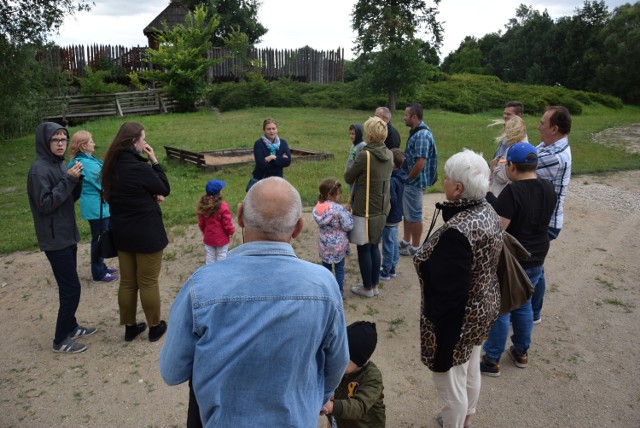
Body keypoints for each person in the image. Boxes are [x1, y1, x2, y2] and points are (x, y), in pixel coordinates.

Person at [159, 177, 349, 426]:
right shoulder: (324, 285)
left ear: (239, 217)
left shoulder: (201, 287)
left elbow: (172, 371)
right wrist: (312, 402)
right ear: (299, 227)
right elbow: (337, 363)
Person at [414, 149, 502, 428]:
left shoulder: (458, 232)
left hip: (460, 319)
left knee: (450, 382)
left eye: (447, 178)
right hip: (484, 305)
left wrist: (442, 342)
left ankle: (456, 420)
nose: (444, 181)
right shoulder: (486, 208)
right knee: (470, 366)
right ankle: (468, 419)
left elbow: (448, 297)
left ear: (458, 188)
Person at [481, 143, 557, 377]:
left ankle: (492, 358)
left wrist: (490, 199)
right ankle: (521, 351)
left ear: (512, 166)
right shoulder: (548, 187)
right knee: (523, 302)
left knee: (502, 307)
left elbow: (500, 227)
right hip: (538, 254)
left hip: (515, 258)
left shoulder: (513, 191)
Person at [27, 122, 97, 353]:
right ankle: (59, 339)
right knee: (71, 289)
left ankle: (71, 326)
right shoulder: (39, 171)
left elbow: (67, 198)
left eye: (63, 139)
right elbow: (45, 204)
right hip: (54, 239)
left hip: (67, 234)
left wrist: (77, 181)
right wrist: (68, 180)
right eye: (55, 140)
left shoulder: (61, 164)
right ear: (45, 143)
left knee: (69, 286)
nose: (60, 144)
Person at [101, 121, 170, 343]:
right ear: (133, 141)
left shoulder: (111, 166)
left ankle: (130, 327)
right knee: (148, 281)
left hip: (122, 232)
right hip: (146, 232)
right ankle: (154, 326)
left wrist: (147, 195)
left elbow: (122, 194)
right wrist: (155, 160)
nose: (145, 142)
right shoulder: (138, 167)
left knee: (128, 282)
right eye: (142, 138)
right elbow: (163, 187)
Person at [345, 116, 393, 298]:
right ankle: (373, 285)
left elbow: (349, 177)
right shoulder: (388, 154)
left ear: (371, 136)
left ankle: (366, 288)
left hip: (364, 209)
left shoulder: (364, 155)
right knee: (374, 247)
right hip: (381, 208)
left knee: (363, 248)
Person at [533, 106, 572, 324]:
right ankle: (531, 310)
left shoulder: (556, 157)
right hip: (541, 219)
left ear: (554, 128)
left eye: (542, 123)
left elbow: (518, 168)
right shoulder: (547, 146)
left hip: (546, 223)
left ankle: (533, 313)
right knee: (534, 265)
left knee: (533, 267)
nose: (539, 127)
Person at [68, 130, 119, 283]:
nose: (94, 144)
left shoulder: (87, 159)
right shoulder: (83, 163)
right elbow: (102, 180)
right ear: (83, 146)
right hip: (96, 208)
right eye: (91, 141)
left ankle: (101, 266)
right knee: (98, 239)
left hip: (100, 205)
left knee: (101, 237)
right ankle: (98, 273)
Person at [324, 321, 386, 427]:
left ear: (359, 361)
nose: (338, 360)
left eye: (344, 358)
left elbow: (359, 407)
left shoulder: (372, 378)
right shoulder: (338, 369)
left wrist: (331, 407)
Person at [399, 102, 438, 257]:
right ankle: (406, 241)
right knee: (408, 213)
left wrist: (407, 178)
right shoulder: (417, 131)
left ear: (414, 117)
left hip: (414, 182)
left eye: (406, 115)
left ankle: (415, 247)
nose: (404, 118)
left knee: (415, 215)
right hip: (411, 181)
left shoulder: (421, 135)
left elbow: (420, 163)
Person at [313, 178, 354, 295]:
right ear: (331, 195)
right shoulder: (339, 209)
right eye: (339, 194)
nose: (340, 196)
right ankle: (338, 292)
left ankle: (327, 290)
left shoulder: (318, 207)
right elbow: (348, 226)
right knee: (339, 269)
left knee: (326, 269)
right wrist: (347, 213)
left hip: (324, 244)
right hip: (338, 245)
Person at [380, 148, 407, 281]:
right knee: (393, 242)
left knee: (388, 244)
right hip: (396, 215)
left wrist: (385, 211)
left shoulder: (392, 180)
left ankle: (386, 270)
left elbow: (392, 199)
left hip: (390, 217)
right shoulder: (401, 176)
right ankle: (393, 268)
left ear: (392, 164)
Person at [197, 179, 235, 265]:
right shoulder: (223, 206)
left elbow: (201, 224)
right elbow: (227, 223)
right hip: (222, 238)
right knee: (222, 256)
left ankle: (210, 273)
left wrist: (205, 232)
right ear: (219, 192)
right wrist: (231, 231)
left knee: (210, 257)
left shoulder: (203, 206)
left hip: (209, 237)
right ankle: (220, 274)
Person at [487, 115, 527, 197]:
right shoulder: (525, 147)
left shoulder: (512, 150)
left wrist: (494, 167)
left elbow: (503, 177)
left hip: (500, 194)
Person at [249, 118, 291, 188]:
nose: (271, 131)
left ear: (277, 129)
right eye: (268, 129)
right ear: (264, 130)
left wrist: (273, 157)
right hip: (261, 179)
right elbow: (261, 165)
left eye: (273, 128)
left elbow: (288, 161)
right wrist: (280, 160)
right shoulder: (259, 144)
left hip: (278, 179)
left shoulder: (283, 143)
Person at [345, 124, 366, 189]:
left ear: (359, 134)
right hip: (351, 175)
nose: (351, 136)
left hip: (356, 177)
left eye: (353, 134)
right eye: (350, 134)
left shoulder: (362, 145)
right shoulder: (353, 145)